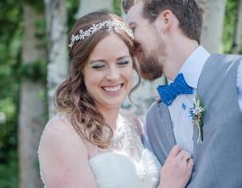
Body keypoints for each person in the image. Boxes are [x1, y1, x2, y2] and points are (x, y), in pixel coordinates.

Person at [38, 11, 193, 188]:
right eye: (99, 66)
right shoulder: (63, 134)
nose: (113, 75)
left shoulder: (134, 123)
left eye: (122, 63)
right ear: (81, 70)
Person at [122, 0, 242, 187]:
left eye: (133, 29)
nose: (128, 44)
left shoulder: (236, 75)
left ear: (165, 20)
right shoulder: (152, 120)